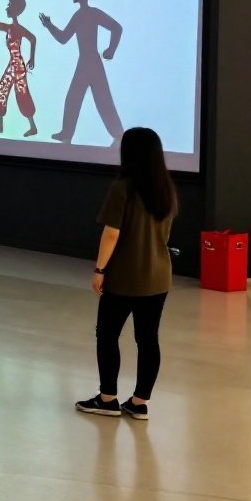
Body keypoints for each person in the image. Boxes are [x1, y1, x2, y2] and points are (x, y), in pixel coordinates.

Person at [76, 127, 177, 421]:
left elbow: (111, 235)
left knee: (107, 335)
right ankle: (139, 402)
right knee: (148, 339)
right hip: (159, 277)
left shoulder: (122, 188)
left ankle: (107, 398)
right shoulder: (165, 189)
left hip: (123, 277)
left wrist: (99, 269)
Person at [39, 0, 124, 145]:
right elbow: (63, 38)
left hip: (91, 61)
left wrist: (111, 50)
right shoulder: (79, 15)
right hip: (85, 61)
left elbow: (117, 28)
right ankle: (68, 132)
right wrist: (48, 25)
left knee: (100, 99)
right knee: (77, 97)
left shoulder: (92, 13)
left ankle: (118, 133)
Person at [0, 0, 38, 137]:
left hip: (17, 65)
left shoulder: (16, 28)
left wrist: (32, 58)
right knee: (2, 91)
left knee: (22, 94)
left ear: (15, 9)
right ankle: (1, 125)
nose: (7, 8)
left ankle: (33, 126)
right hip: (14, 64)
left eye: (9, 6)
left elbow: (33, 39)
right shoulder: (9, 28)